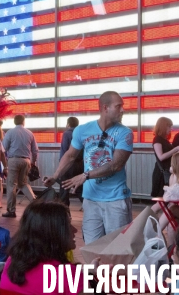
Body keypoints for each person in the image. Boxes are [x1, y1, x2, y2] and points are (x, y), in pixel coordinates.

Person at [44, 91, 133, 245]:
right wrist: (56, 175)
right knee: (92, 247)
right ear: (105, 108)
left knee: (118, 249)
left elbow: (116, 165)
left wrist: (85, 175)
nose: (122, 110)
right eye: (118, 106)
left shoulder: (125, 133)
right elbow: (70, 155)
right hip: (91, 199)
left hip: (116, 199)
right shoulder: (82, 130)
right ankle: (96, 270)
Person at [0, 201, 92, 294]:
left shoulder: (13, 262)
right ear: (53, 233)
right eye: (68, 225)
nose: (75, 230)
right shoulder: (67, 274)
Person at [2, 115, 38, 218]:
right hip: (26, 160)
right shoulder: (30, 133)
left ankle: (11, 210)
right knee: (23, 183)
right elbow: (35, 150)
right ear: (23, 122)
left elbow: (4, 148)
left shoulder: (10, 132)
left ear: (14, 122)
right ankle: (34, 202)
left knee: (11, 185)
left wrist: (4, 162)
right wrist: (33, 162)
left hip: (13, 160)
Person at [151, 117, 179, 197]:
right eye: (169, 126)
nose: (171, 129)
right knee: (162, 198)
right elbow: (161, 157)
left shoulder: (164, 140)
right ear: (163, 127)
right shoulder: (157, 139)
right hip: (161, 173)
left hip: (167, 171)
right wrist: (176, 149)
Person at [58, 117, 83, 206]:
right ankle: (89, 207)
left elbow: (65, 150)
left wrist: (61, 164)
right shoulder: (81, 133)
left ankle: (65, 212)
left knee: (64, 188)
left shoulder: (67, 133)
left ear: (68, 124)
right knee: (80, 188)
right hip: (80, 165)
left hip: (68, 165)